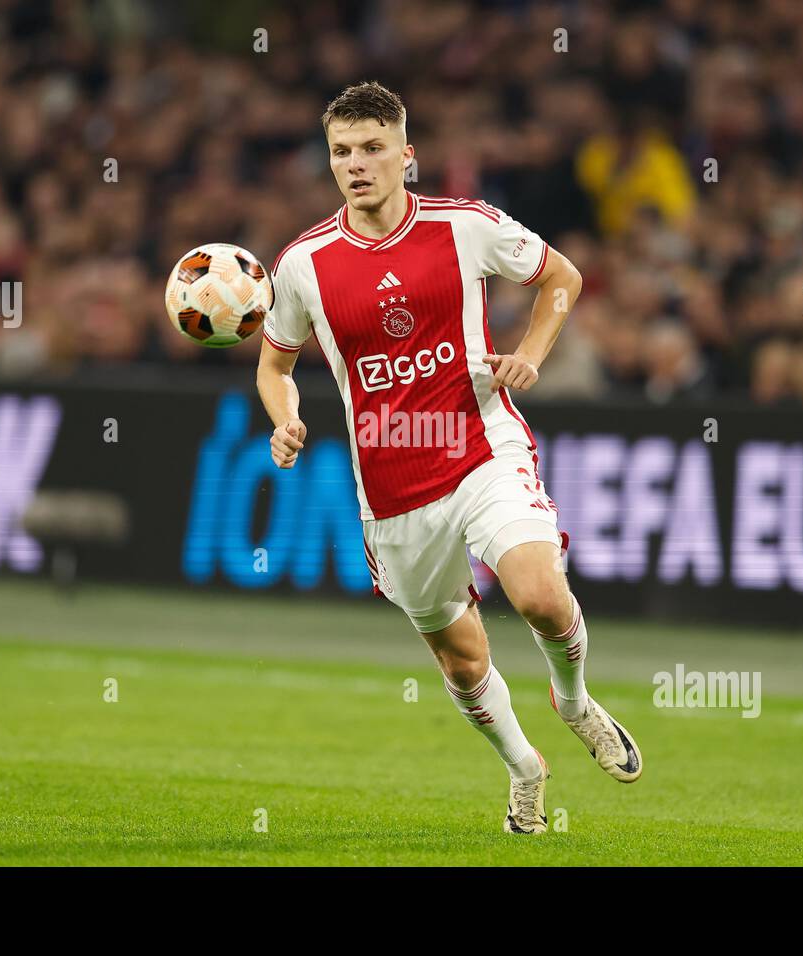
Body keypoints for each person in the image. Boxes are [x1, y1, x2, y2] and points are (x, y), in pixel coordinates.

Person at [256, 82, 642, 835]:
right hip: (394, 490)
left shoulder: (464, 227)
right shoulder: (303, 264)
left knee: (538, 594)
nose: (357, 165)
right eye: (342, 152)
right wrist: (288, 421)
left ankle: (574, 701)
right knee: (463, 662)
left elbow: (563, 278)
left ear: (408, 156)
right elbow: (273, 367)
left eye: (373, 149)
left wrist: (530, 353)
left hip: (478, 444)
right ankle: (524, 767)